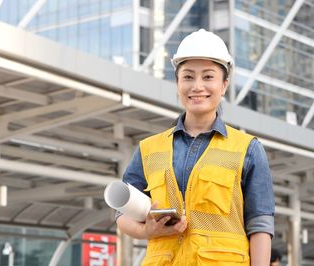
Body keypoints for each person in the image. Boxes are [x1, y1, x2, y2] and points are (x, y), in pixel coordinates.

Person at [116, 29, 275, 265]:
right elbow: (122, 213)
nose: (197, 86)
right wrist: (147, 231)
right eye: (188, 77)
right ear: (178, 84)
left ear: (224, 85)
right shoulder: (149, 149)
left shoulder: (247, 149)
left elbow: (260, 223)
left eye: (208, 77)